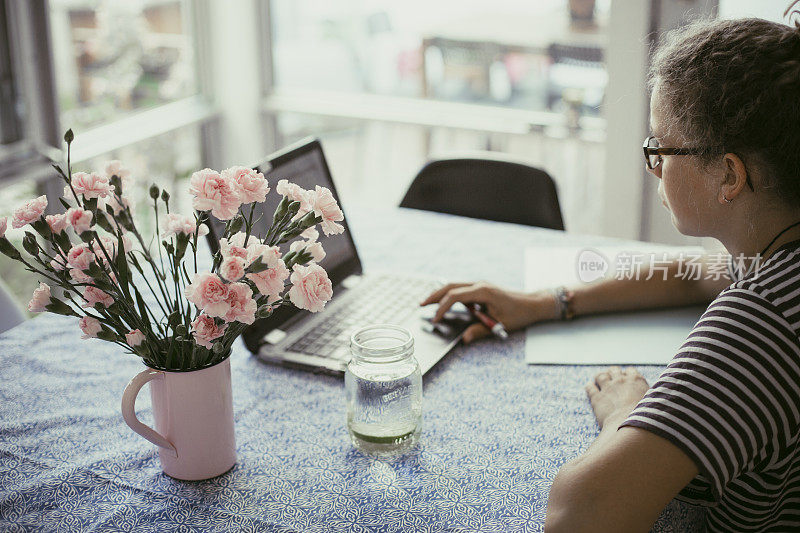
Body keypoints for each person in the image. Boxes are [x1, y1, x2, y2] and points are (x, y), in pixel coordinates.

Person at [421, 4, 800, 531]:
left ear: (729, 175)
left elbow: (578, 515)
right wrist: (547, 301)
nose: (655, 165)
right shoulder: (774, 254)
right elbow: (692, 273)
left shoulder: (763, 322)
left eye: (661, 148)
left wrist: (627, 411)